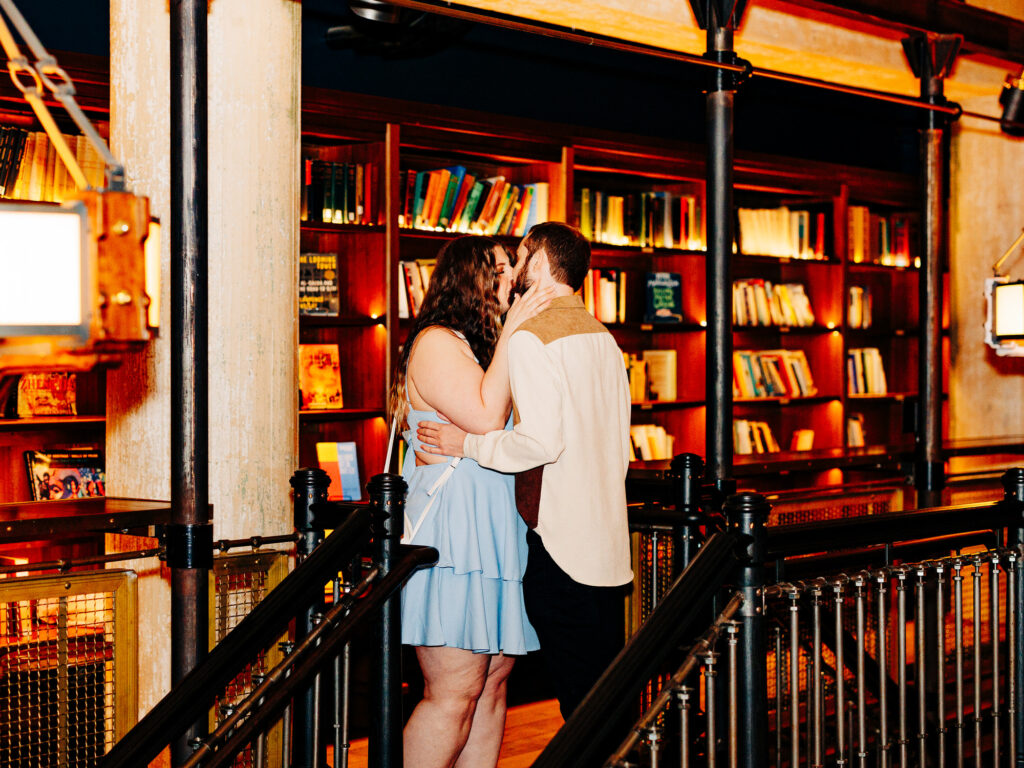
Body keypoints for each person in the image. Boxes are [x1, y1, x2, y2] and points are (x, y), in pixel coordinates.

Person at [417, 221, 633, 722]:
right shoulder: (603, 337)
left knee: (581, 708)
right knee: (608, 696)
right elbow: (618, 449)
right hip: (609, 547)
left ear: (537, 263)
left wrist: (466, 443)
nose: (512, 271)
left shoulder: (532, 337)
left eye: (518, 258)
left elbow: (539, 443)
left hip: (561, 547)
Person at [389, 234, 553, 768]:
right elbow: (485, 417)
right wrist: (515, 326)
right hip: (453, 542)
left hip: (494, 536)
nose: (514, 280)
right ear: (471, 279)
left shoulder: (479, 347)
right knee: (454, 690)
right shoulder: (437, 341)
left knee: (492, 687)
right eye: (504, 270)